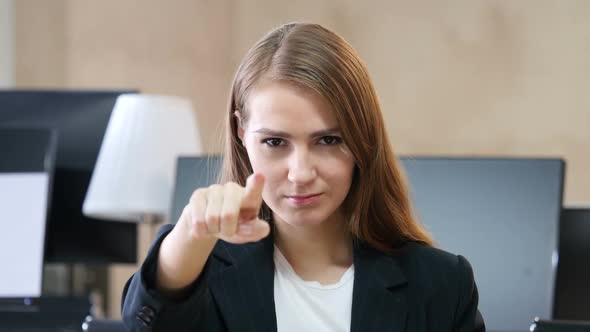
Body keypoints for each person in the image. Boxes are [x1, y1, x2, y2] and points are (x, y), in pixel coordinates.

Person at [121, 22, 486, 332]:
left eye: (329, 140)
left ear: (362, 140)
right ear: (241, 134)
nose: (300, 173)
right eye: (275, 142)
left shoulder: (441, 285)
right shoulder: (201, 270)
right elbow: (146, 319)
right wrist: (189, 235)